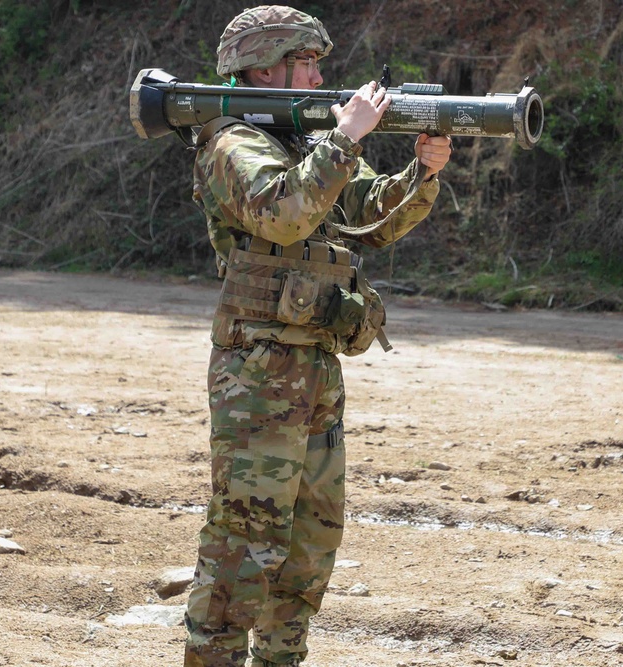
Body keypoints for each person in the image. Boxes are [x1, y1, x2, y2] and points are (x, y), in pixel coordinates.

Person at [181, 6, 451, 667]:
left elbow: (367, 218)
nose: (322, 74)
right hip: (258, 370)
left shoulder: (307, 145)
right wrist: (346, 138)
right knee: (245, 539)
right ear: (265, 67)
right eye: (308, 62)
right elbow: (286, 214)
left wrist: (423, 174)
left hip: (316, 363)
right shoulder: (230, 144)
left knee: (309, 543)